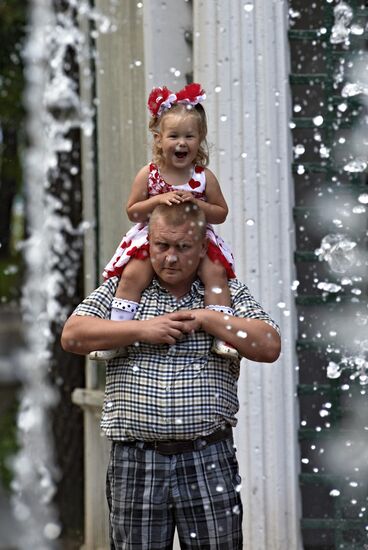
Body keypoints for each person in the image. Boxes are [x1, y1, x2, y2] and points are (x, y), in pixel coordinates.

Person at [61, 202, 281, 550]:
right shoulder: (124, 294)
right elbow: (72, 335)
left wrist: (209, 319)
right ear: (148, 242)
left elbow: (269, 345)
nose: (171, 258)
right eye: (162, 246)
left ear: (202, 247)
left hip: (207, 457)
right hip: (136, 460)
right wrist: (140, 330)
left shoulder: (224, 294)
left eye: (183, 247)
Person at [92, 83, 237, 361]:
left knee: (216, 274)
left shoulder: (203, 177)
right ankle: (118, 332)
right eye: (173, 136)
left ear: (200, 139)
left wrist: (198, 204)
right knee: (133, 274)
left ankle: (224, 335)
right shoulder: (150, 174)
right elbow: (133, 211)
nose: (181, 143)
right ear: (158, 139)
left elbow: (221, 213)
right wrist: (158, 200)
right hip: (154, 238)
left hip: (195, 240)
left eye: (189, 136)